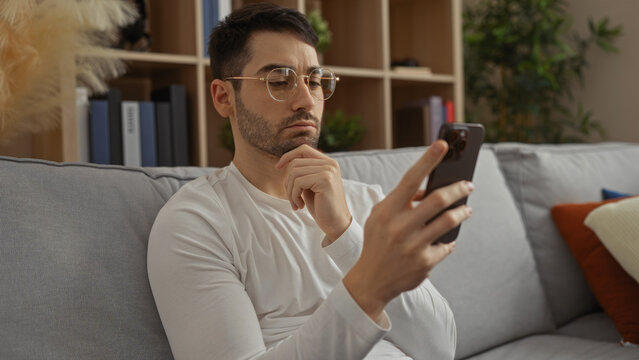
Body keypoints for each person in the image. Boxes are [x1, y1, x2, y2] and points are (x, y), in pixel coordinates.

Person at [147, 3, 473, 359]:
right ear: (224, 97)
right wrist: (367, 287)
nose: (306, 101)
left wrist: (345, 232)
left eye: (315, 81)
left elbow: (442, 348)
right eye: (279, 81)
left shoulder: (364, 203)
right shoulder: (196, 223)